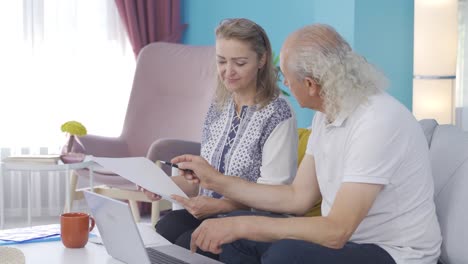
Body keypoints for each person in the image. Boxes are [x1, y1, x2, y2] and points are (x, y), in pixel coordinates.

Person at [172, 24, 442, 264]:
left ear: (311, 84)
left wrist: (242, 225)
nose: (284, 82)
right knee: (213, 237)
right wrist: (215, 181)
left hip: (394, 252)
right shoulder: (326, 115)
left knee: (283, 255)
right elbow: (297, 198)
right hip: (344, 240)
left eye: (286, 75)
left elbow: (337, 231)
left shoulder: (378, 121)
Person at [140, 18, 298, 258]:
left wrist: (221, 205)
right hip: (213, 213)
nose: (228, 71)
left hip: (256, 220)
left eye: (240, 62)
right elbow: (204, 179)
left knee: (187, 243)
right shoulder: (219, 106)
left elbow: (273, 197)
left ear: (262, 60)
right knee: (166, 227)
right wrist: (162, 186)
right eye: (221, 61)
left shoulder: (278, 113)